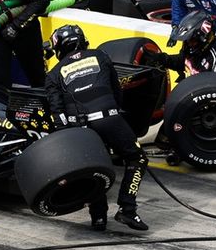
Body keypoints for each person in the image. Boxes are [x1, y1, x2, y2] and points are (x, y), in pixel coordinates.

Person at [44, 25, 148, 231]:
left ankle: (99, 217)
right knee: (138, 158)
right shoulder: (100, 56)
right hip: (109, 119)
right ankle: (127, 210)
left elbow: (58, 115)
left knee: (95, 167)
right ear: (82, 41)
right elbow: (117, 92)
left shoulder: (53, 74)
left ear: (59, 49)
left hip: (80, 129)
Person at [156, 10, 216, 79]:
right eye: (187, 40)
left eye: (192, 40)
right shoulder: (190, 46)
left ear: (204, 39)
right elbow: (182, 61)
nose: (189, 44)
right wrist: (162, 59)